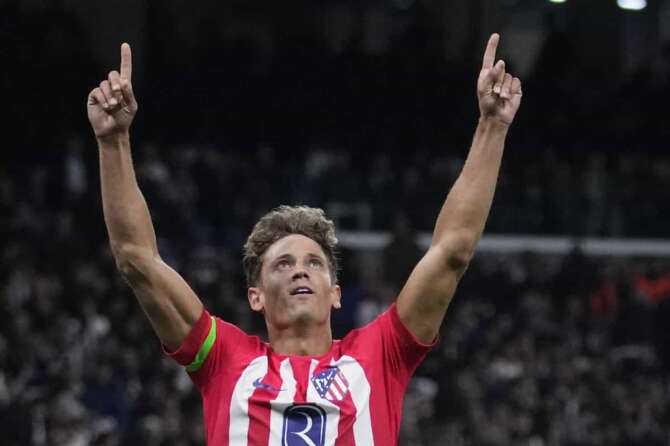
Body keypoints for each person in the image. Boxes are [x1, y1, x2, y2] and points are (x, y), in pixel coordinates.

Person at [86, 33, 522, 445]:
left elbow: (452, 253)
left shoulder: (381, 354)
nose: (299, 269)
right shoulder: (224, 359)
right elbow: (136, 261)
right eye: (282, 263)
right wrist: (113, 142)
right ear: (255, 297)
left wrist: (492, 127)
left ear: (335, 293)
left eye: (314, 262)